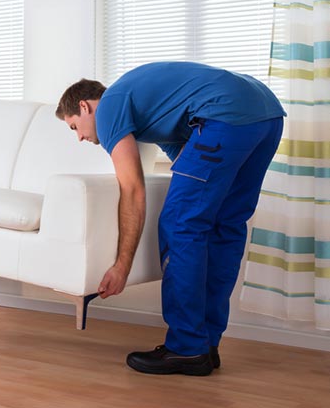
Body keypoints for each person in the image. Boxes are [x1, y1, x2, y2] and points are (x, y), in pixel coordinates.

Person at [56, 62, 285, 376]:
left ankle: (187, 347)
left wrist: (122, 265)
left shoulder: (109, 107)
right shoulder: (156, 114)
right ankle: (206, 344)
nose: (80, 138)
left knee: (180, 224)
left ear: (84, 106)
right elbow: (193, 168)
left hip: (225, 115)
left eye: (74, 127)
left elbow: (133, 190)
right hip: (266, 115)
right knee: (224, 225)